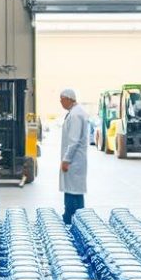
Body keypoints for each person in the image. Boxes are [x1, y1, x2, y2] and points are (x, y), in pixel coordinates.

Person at [59, 88, 90, 224]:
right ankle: (75, 216)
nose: (61, 102)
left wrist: (66, 160)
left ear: (68, 99)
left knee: (72, 190)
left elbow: (74, 140)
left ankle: (70, 217)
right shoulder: (75, 112)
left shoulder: (76, 115)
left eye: (62, 100)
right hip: (76, 160)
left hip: (74, 160)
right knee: (74, 189)